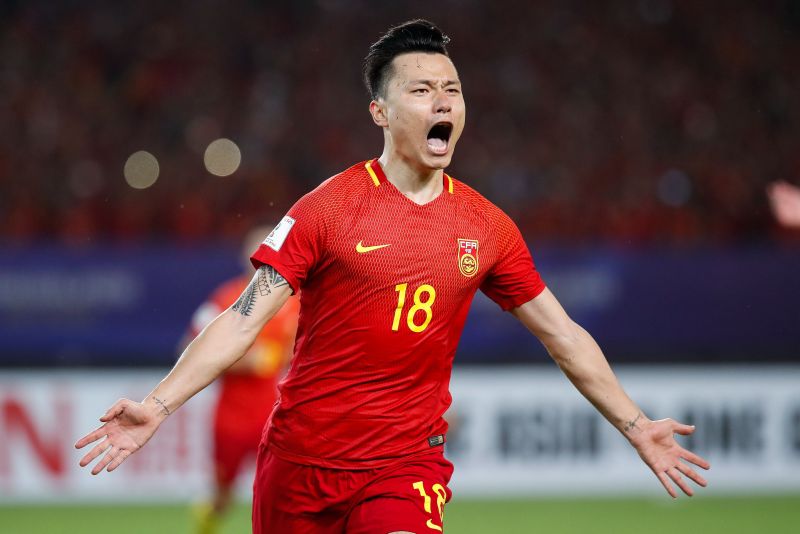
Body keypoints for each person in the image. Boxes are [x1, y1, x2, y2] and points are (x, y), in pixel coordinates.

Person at [76, 19, 710, 533]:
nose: (443, 101)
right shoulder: (327, 208)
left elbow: (562, 335)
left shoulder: (487, 226)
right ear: (379, 111)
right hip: (299, 466)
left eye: (453, 90)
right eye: (422, 89)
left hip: (405, 466)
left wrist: (634, 423)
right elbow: (243, 320)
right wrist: (157, 406)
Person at [185, 227, 299, 534]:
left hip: (276, 417)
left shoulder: (295, 301)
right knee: (222, 495)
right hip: (231, 419)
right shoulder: (226, 298)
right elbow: (189, 345)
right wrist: (239, 359)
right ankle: (207, 524)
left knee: (284, 492)